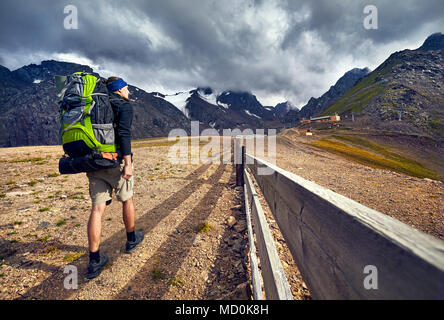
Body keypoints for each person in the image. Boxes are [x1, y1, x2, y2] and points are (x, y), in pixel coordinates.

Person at [85, 76, 144, 280]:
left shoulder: (94, 104)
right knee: (127, 199)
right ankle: (131, 239)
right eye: (126, 88)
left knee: (97, 209)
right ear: (119, 90)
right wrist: (128, 163)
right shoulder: (123, 105)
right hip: (115, 162)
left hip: (94, 162)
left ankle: (94, 261)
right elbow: (124, 134)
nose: (128, 91)